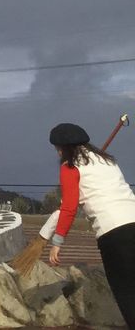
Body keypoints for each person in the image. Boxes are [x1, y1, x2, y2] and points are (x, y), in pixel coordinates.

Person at [42, 122, 135, 328]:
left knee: (127, 293)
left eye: (58, 148)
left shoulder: (70, 167)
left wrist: (57, 242)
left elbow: (69, 208)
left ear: (64, 147)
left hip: (113, 234)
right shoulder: (107, 160)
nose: (58, 153)